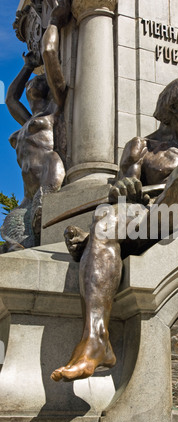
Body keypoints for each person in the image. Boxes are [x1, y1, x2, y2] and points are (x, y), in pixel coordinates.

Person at [51, 76, 178, 382]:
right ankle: (95, 341)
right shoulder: (141, 147)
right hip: (160, 214)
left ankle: (88, 246)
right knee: (106, 220)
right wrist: (124, 189)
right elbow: (122, 190)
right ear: (171, 106)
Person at [2, 0, 70, 251]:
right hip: (28, 197)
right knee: (13, 248)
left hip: (49, 187)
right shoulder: (27, 119)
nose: (33, 82)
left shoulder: (55, 110)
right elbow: (10, 98)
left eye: (37, 80)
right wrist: (27, 66)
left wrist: (53, 23)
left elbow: (50, 55)